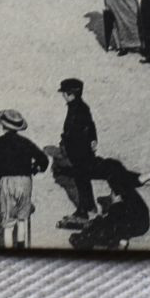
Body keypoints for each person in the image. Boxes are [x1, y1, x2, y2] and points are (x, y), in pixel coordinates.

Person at [0, 109, 50, 249]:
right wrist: (35, 169)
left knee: (8, 222)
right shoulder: (26, 143)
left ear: (3, 125)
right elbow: (43, 160)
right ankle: (21, 248)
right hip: (25, 181)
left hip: (7, 182)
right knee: (22, 219)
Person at [67, 159, 150, 251]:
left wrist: (101, 210)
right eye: (81, 235)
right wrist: (115, 202)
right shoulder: (101, 235)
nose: (83, 232)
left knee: (116, 178)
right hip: (137, 218)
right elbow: (121, 233)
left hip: (136, 222)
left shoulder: (97, 236)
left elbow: (102, 220)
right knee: (115, 176)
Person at [56, 78, 100, 228]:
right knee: (83, 180)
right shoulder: (80, 106)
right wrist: (93, 139)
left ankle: (86, 212)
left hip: (80, 152)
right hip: (82, 151)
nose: (63, 95)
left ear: (71, 94)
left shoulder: (77, 109)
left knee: (82, 181)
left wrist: (65, 142)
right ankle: (87, 207)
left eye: (64, 93)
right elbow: (91, 124)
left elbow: (74, 131)